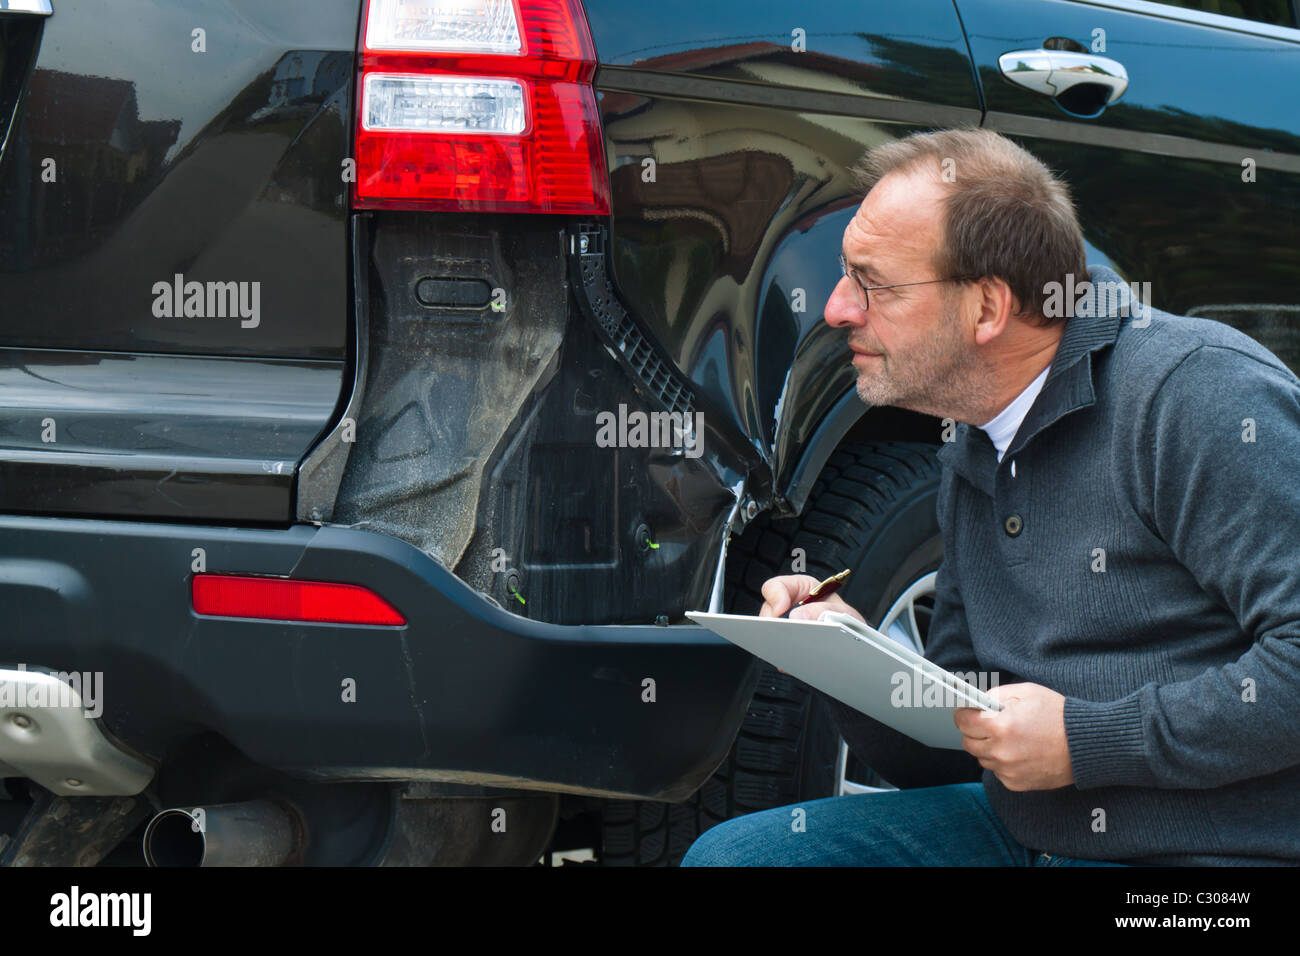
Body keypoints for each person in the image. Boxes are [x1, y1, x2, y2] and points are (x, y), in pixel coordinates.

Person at [681, 127, 1300, 866]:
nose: (838, 308)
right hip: (1029, 832)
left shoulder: (1199, 395)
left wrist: (1083, 742)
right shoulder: (976, 435)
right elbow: (942, 753)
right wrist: (843, 653)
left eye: (873, 282)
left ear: (987, 309)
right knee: (738, 860)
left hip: (1213, 859)